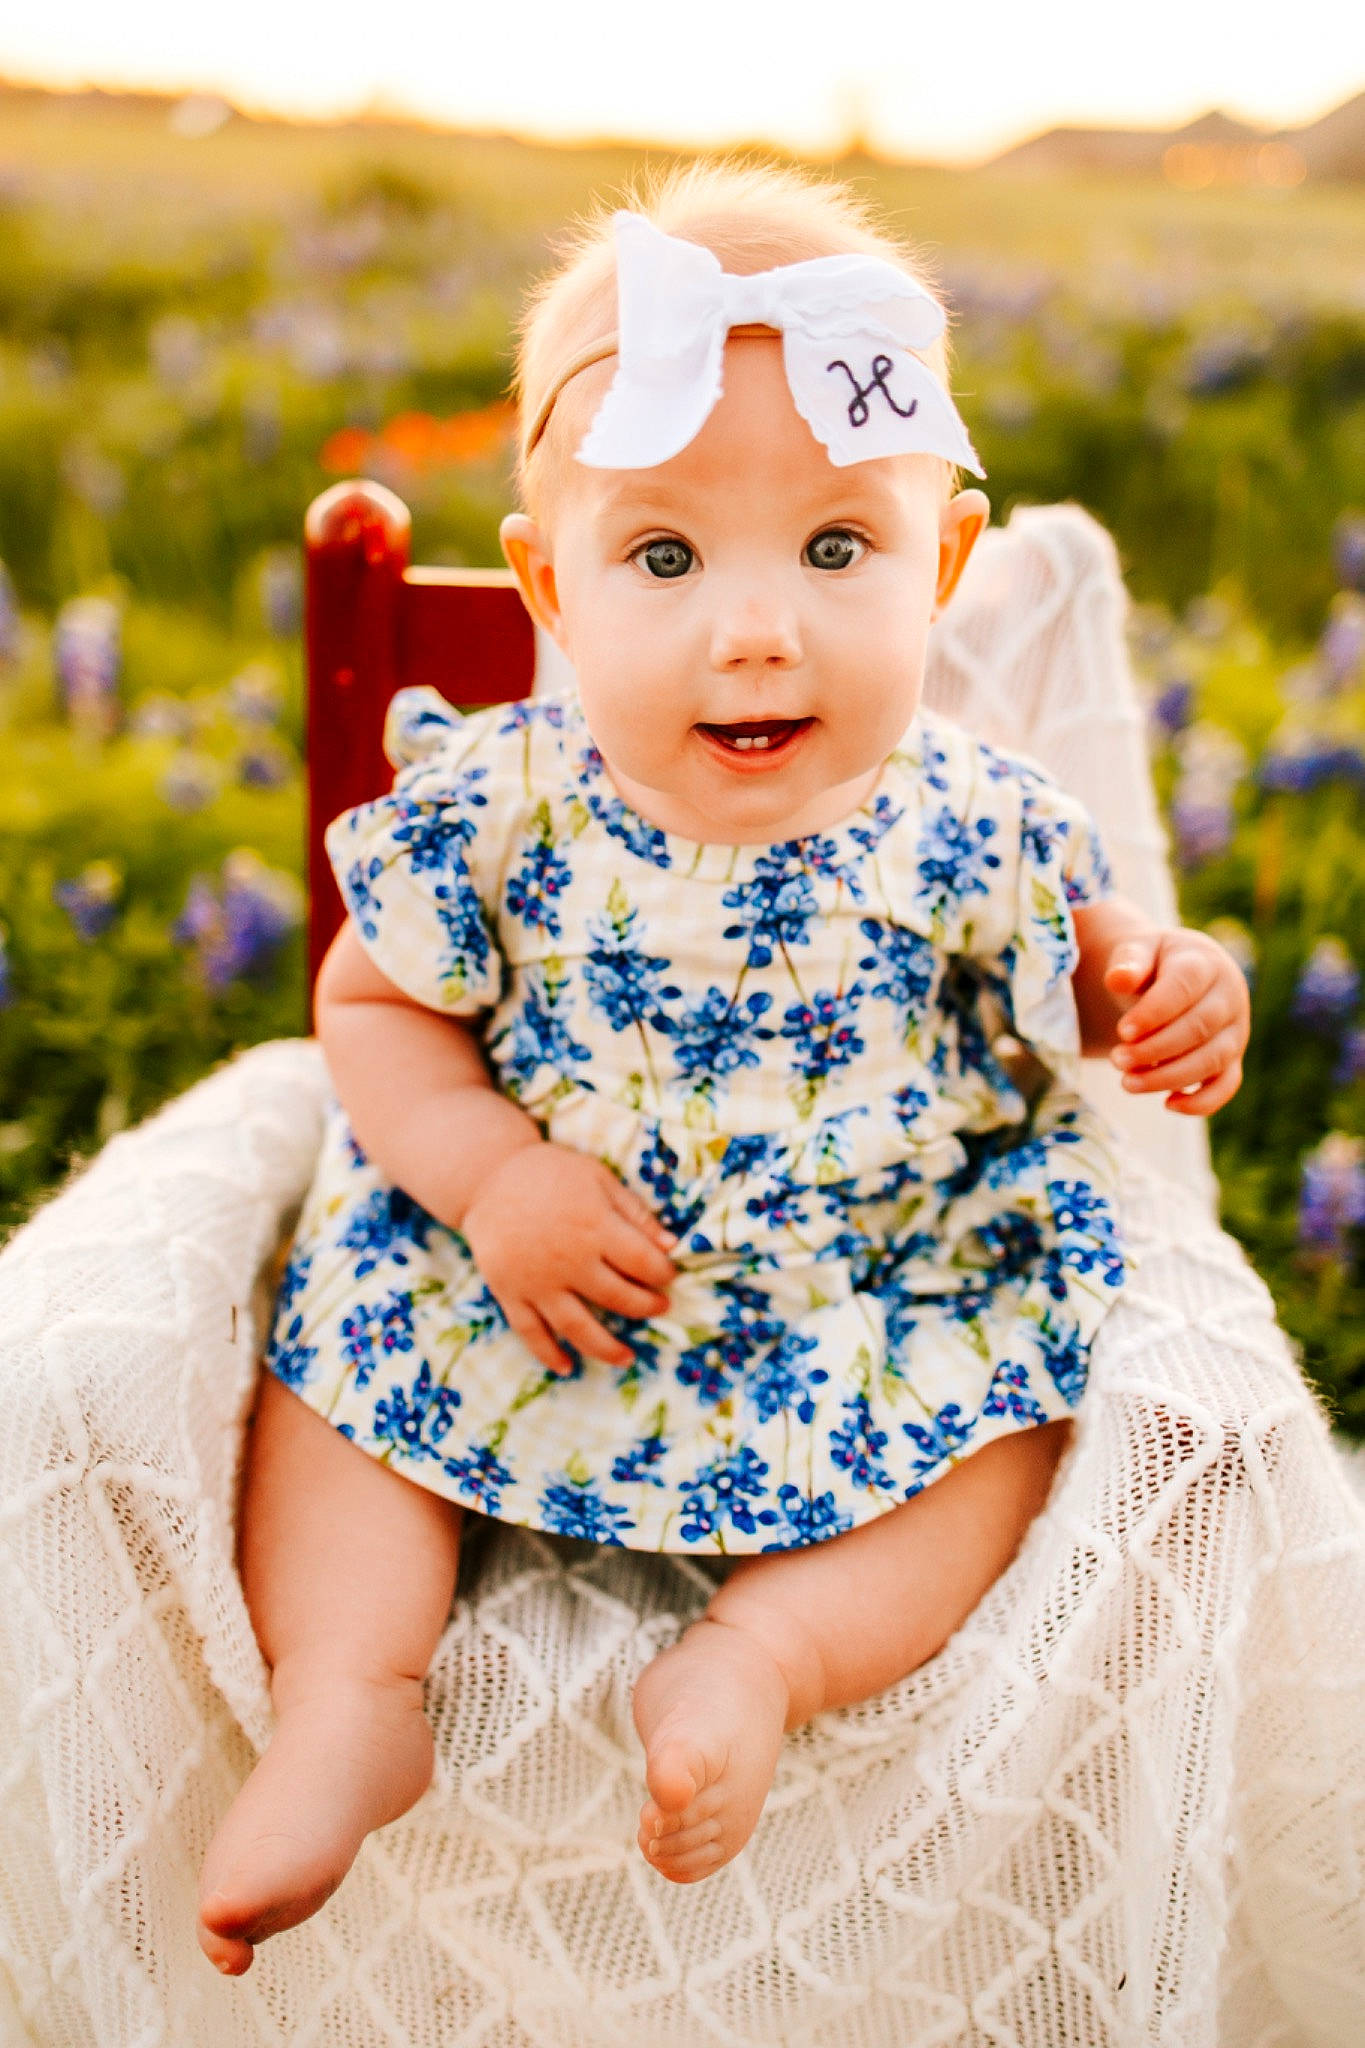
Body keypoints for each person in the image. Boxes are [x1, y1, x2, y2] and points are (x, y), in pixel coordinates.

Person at [197, 160, 1251, 1976]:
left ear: (940, 567)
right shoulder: (503, 800)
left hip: (863, 1283)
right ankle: (349, 1695)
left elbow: (1084, 976)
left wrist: (1164, 981)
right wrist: (489, 1177)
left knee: (1015, 1420)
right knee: (341, 1362)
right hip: (535, 1274)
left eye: (835, 549)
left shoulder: (970, 817)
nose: (755, 628)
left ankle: (767, 1653)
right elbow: (370, 1008)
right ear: (552, 583)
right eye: (665, 557)